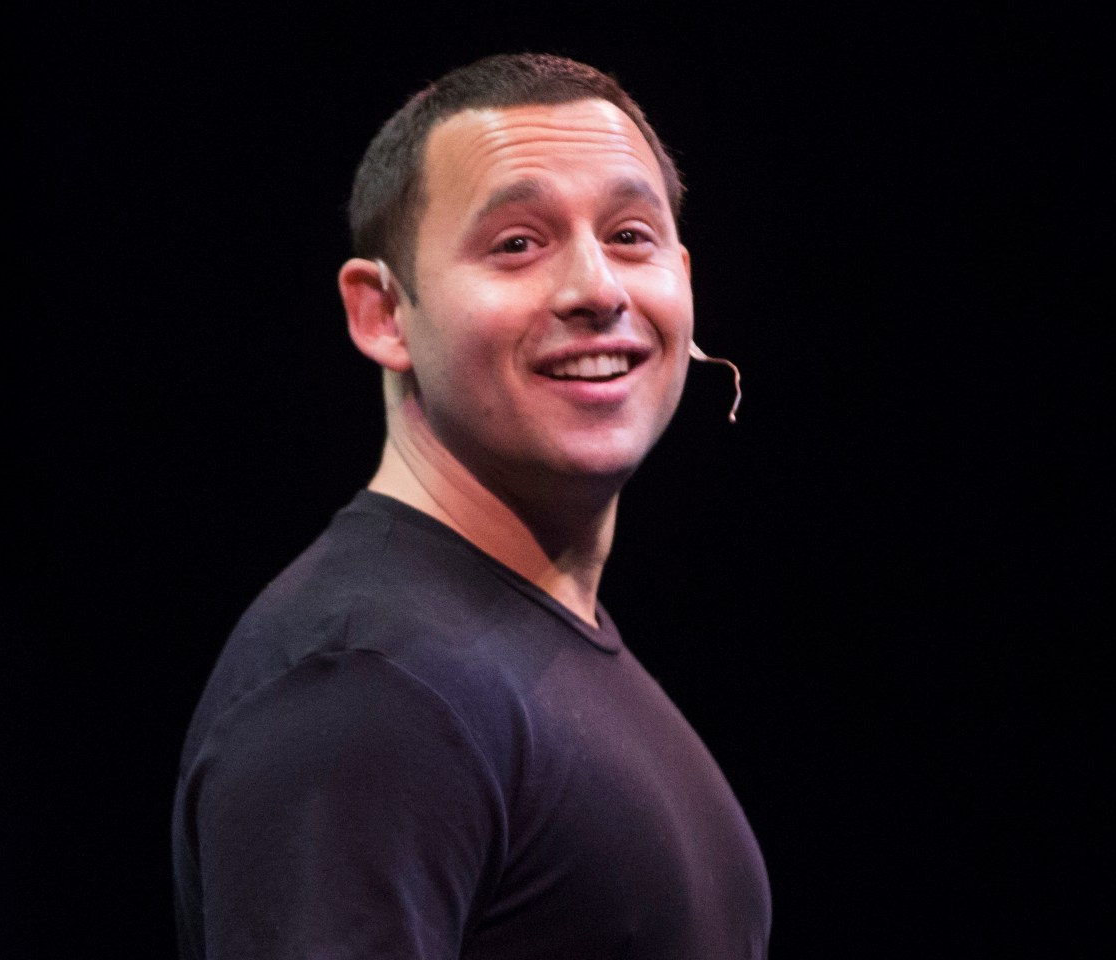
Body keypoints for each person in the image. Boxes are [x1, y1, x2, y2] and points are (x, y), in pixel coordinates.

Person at [172, 53, 770, 958]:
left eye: (631, 236)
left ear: (682, 280)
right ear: (382, 313)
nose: (597, 290)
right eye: (517, 244)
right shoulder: (370, 690)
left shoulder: (502, 644)